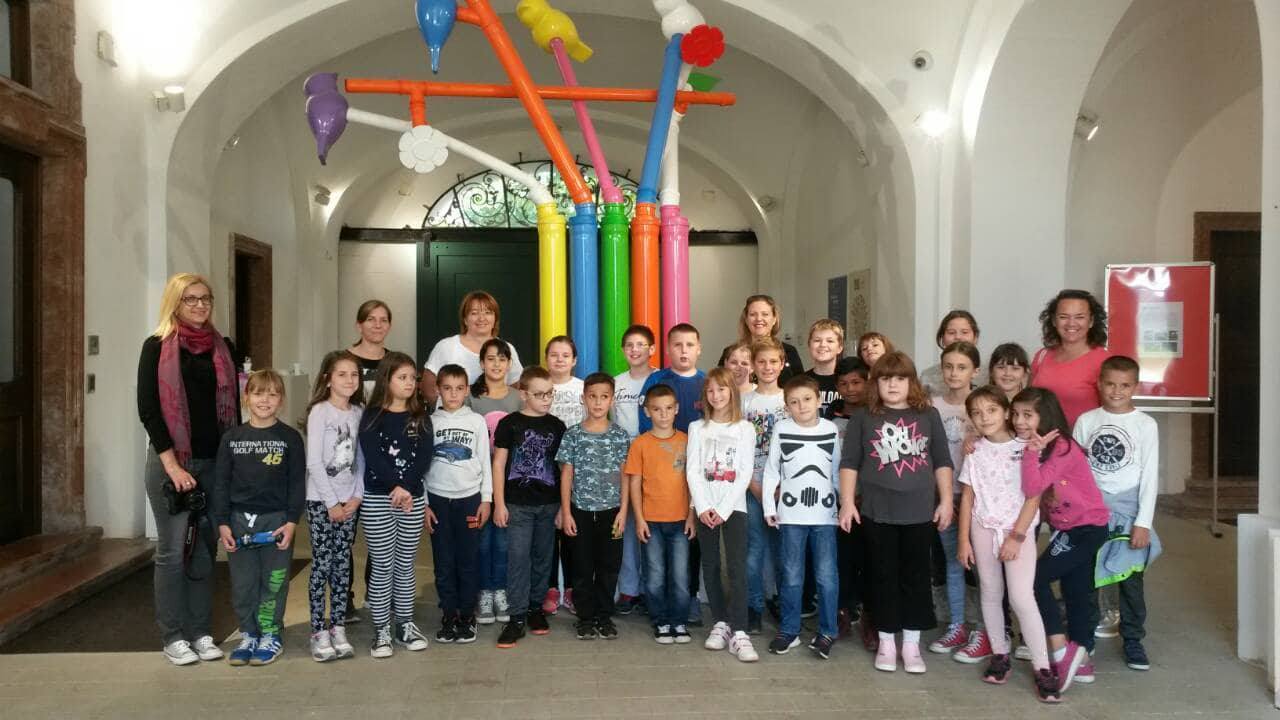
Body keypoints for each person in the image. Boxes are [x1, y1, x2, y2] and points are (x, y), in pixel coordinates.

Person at [136, 272, 238, 666]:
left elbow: (234, 408)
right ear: (175, 302)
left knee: (205, 551)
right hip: (171, 463)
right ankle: (173, 636)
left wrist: (232, 463)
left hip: (213, 462)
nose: (199, 305)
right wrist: (173, 466)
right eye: (190, 298)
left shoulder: (223, 348)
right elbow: (149, 410)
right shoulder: (156, 346)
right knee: (173, 550)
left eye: (205, 298)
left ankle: (201, 632)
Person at [838, 351, 954, 674]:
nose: (892, 385)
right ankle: (887, 641)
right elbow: (849, 463)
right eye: (886, 378)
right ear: (875, 383)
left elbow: (942, 460)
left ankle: (911, 644)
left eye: (900, 378)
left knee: (916, 576)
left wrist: (946, 500)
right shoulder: (864, 417)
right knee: (882, 576)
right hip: (877, 512)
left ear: (911, 382)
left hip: (919, 512)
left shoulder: (927, 415)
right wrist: (847, 502)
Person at [955, 387, 1057, 702]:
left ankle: (1043, 667)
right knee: (989, 590)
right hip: (982, 525)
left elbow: (1034, 496)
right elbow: (968, 497)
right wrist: (963, 540)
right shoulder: (974, 450)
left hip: (1017, 530)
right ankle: (999, 654)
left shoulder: (1027, 446)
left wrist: (1016, 536)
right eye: (977, 413)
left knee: (1021, 597)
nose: (984, 418)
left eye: (992, 410)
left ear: (1006, 412)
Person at [1015, 387, 1110, 692]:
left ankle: (1061, 652)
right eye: (1015, 414)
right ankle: (1082, 660)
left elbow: (1033, 487)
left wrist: (1031, 453)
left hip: (1086, 528)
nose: (1019, 421)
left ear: (1046, 417)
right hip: (1068, 529)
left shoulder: (1063, 447)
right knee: (1075, 591)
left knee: (1036, 579)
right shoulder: (1033, 445)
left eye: (1027, 415)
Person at [1073, 355, 1161, 672]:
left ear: (1135, 386)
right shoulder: (1086, 421)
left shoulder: (1145, 425)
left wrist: (1143, 523)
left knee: (1130, 581)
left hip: (1129, 511)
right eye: (1110, 384)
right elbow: (1075, 469)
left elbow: (1150, 477)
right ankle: (1084, 638)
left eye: (1124, 385)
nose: (1116, 391)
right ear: (1099, 384)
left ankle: (1133, 638)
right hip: (1091, 511)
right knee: (1087, 577)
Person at [213, 370, 305, 667]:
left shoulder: (290, 438)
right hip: (239, 522)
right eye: (258, 393)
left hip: (276, 522)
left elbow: (297, 483)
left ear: (282, 400)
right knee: (243, 583)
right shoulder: (232, 438)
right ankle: (249, 634)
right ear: (246, 398)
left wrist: (292, 521)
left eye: (272, 394)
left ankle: (270, 634)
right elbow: (221, 484)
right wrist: (222, 522)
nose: (265, 400)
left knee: (273, 582)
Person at [359, 352, 434, 658]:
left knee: (405, 565)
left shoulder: (421, 416)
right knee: (383, 565)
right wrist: (395, 486)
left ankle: (404, 624)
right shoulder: (372, 416)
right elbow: (373, 456)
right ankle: (381, 630)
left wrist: (407, 488)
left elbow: (424, 456)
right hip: (379, 498)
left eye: (413, 378)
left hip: (411, 500)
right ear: (386, 380)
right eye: (402, 378)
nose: (409, 383)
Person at [763, 376, 843, 660]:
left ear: (819, 400)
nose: (802, 406)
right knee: (792, 576)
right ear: (787, 407)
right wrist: (769, 507)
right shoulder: (782, 429)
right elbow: (772, 470)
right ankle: (789, 630)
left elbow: (836, 471)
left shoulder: (830, 429)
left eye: (807, 399)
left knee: (826, 576)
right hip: (791, 516)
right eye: (794, 402)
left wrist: (844, 504)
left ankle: (828, 631)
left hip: (825, 516)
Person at [685, 368, 758, 662]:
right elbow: (692, 470)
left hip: (733, 508)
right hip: (705, 508)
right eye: (711, 391)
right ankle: (720, 622)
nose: (716, 396)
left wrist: (724, 508)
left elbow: (745, 471)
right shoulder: (697, 428)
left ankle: (740, 630)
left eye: (722, 389)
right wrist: (703, 507)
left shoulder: (745, 428)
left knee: (737, 567)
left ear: (732, 392)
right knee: (711, 565)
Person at [492, 367, 567, 648]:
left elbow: (563, 469)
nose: (546, 399)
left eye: (550, 394)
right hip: (517, 506)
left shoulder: (557, 426)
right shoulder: (509, 424)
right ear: (523, 395)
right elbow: (498, 464)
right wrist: (499, 503)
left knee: (543, 558)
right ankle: (516, 617)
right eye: (539, 394)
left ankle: (536, 608)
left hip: (548, 505)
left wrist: (563, 508)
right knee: (518, 559)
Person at [557, 373, 632, 640]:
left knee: (609, 567)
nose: (598, 402)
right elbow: (566, 474)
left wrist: (623, 511)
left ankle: (603, 616)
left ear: (612, 401)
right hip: (580, 511)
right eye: (593, 397)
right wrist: (566, 512)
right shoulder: (573, 434)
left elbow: (625, 474)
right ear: (584, 399)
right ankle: (585, 618)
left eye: (604, 397)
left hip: (612, 512)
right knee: (581, 566)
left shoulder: (620, 435)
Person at [303, 350, 365, 662]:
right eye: (342, 374)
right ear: (328, 379)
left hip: (348, 502)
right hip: (321, 502)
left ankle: (338, 626)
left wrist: (357, 496)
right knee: (322, 565)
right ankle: (318, 630)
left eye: (354, 375)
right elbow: (314, 461)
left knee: (342, 566)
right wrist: (331, 503)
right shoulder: (320, 412)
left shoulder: (359, 412)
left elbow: (361, 459)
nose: (349, 380)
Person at [425, 364, 493, 645]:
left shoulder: (476, 421)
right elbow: (421, 468)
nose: (453, 394)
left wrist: (486, 499)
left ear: (467, 391)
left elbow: (485, 462)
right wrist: (424, 504)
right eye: (447, 388)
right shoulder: (429, 422)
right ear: (438, 390)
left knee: (467, 560)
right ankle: (449, 614)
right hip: (438, 500)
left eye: (459, 388)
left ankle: (467, 615)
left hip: (469, 500)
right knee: (443, 561)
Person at [928, 342, 985, 661]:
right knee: (953, 561)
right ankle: (957, 625)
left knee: (983, 567)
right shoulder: (932, 406)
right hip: (945, 495)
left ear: (975, 371)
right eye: (948, 366)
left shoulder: (984, 404)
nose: (954, 373)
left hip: (980, 499)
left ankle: (986, 629)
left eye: (962, 367)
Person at [626, 384, 695, 645]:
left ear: (676, 409)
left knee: (680, 577)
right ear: (647, 412)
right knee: (654, 576)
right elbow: (634, 483)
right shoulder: (640, 444)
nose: (663, 414)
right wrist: (639, 519)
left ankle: (679, 621)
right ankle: (661, 621)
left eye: (668, 408)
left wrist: (691, 516)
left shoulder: (687, 441)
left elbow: (693, 482)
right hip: (651, 521)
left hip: (681, 521)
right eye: (656, 409)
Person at [469, 338, 520, 625]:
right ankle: (484, 592)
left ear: (510, 364)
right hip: (477, 482)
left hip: (509, 482)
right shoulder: (471, 397)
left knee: (502, 542)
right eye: (491, 359)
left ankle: (500, 590)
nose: (497, 364)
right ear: (481, 363)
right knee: (482, 541)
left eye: (502, 358)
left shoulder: (518, 398)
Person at [823, 355, 871, 643]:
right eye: (843, 384)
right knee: (841, 558)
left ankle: (869, 615)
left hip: (870, 498)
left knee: (869, 558)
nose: (850, 389)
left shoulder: (875, 414)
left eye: (856, 382)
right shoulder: (830, 416)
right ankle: (842, 610)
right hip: (838, 499)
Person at [742, 337, 788, 632]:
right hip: (752, 486)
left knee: (783, 551)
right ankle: (754, 606)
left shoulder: (790, 399)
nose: (768, 367)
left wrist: (782, 487)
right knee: (754, 549)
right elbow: (737, 447)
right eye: (762, 362)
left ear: (782, 364)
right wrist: (753, 485)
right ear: (753, 366)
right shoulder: (745, 401)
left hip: (786, 488)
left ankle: (783, 602)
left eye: (773, 361)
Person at [613, 325, 656, 616]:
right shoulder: (617, 383)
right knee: (628, 524)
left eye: (641, 344)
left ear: (651, 349)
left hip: (655, 460)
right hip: (624, 462)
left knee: (653, 523)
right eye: (629, 345)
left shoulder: (661, 378)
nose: (634, 349)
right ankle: (629, 589)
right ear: (623, 350)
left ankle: (652, 589)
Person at [423, 291, 525, 405]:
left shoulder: (507, 348)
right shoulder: (446, 346)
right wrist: (450, 411)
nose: (481, 318)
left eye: (488, 312)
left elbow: (516, 386)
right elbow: (429, 389)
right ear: (465, 319)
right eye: (474, 313)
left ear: (495, 319)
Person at [1030, 290, 1110, 429]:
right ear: (1054, 321)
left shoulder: (1104, 361)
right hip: (1042, 440)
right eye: (1063, 317)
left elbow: (1111, 413)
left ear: (1091, 321)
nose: (1071, 323)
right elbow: (1029, 402)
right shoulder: (1041, 356)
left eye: (1080, 317)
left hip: (1083, 440)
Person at [544, 335, 582, 614]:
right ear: (546, 359)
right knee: (548, 532)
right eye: (554, 355)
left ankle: (571, 587)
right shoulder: (540, 387)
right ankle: (550, 588)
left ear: (574, 360)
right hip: (545, 470)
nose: (559, 360)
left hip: (577, 470)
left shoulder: (583, 388)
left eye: (565, 355)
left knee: (571, 531)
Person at [718, 295, 806, 382]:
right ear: (746, 320)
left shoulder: (789, 351)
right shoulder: (730, 352)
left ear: (774, 319)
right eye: (753, 314)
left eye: (765, 314)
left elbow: (800, 386)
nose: (759, 319)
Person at [639, 323, 706, 434]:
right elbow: (644, 415)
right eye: (677, 345)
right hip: (663, 443)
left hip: (700, 443)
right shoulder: (656, 380)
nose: (684, 350)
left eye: (690, 345)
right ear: (667, 349)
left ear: (698, 349)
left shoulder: (708, 382)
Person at [920, 310, 980, 396]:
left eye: (964, 332)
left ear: (975, 337)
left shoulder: (987, 374)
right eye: (951, 333)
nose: (958, 337)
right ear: (942, 338)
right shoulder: (927, 376)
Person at [349, 299, 394, 396]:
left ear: (389, 326)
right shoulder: (341, 360)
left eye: (383, 320)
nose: (378, 325)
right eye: (370, 319)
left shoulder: (395, 362)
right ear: (359, 326)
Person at [804, 319, 844, 414]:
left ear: (840, 348)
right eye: (817, 340)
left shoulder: (848, 382)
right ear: (809, 345)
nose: (823, 345)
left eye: (830, 341)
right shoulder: (801, 381)